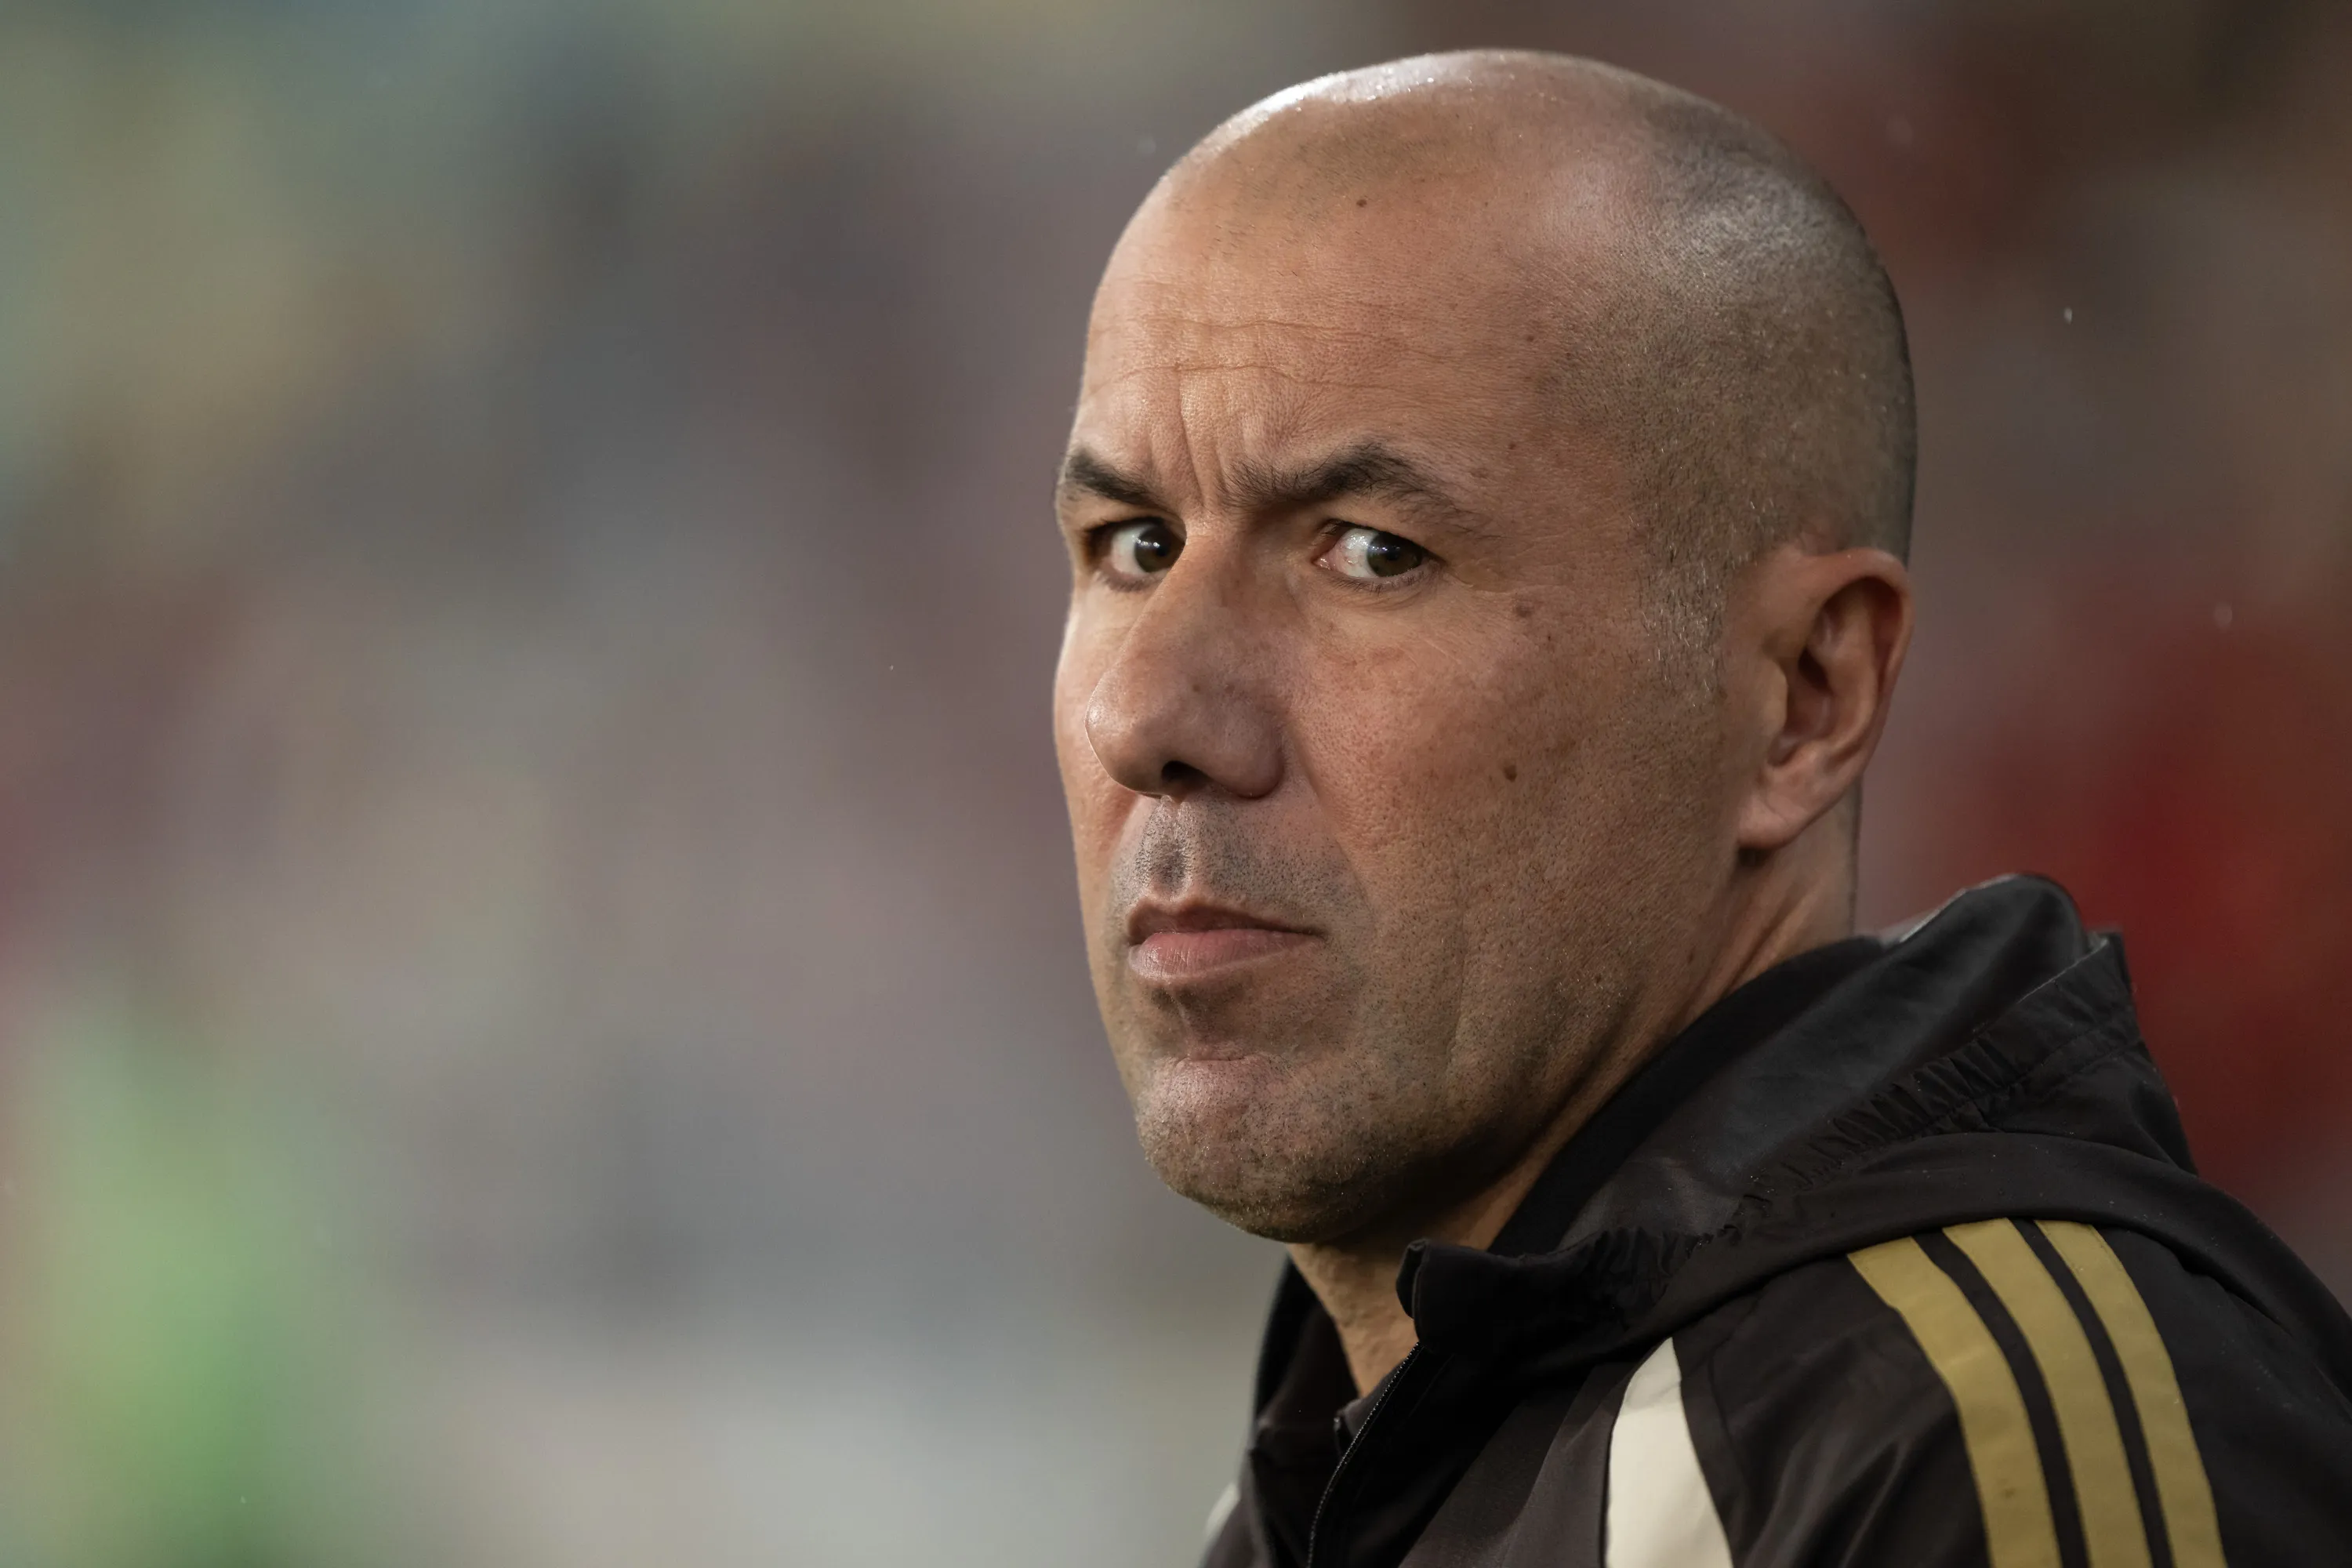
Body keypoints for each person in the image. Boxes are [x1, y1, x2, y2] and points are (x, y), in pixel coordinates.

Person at [1048, 48, 2352, 1568]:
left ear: (1805, 692)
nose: (1146, 716)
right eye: (1135, 542)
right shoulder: (1356, 1476)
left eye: (1370, 552)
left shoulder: (1978, 1447)